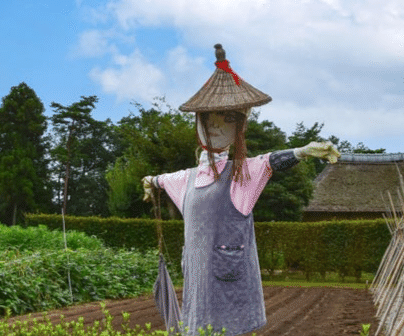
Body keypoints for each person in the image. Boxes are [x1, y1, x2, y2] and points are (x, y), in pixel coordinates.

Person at [142, 44, 340, 335]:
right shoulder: (186, 178)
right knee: (197, 327)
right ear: (199, 123)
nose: (218, 126)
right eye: (210, 119)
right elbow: (160, 179)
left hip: (229, 278)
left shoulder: (241, 174)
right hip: (197, 279)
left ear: (239, 127)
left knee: (227, 329)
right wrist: (150, 181)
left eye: (228, 119)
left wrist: (304, 151)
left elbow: (270, 160)